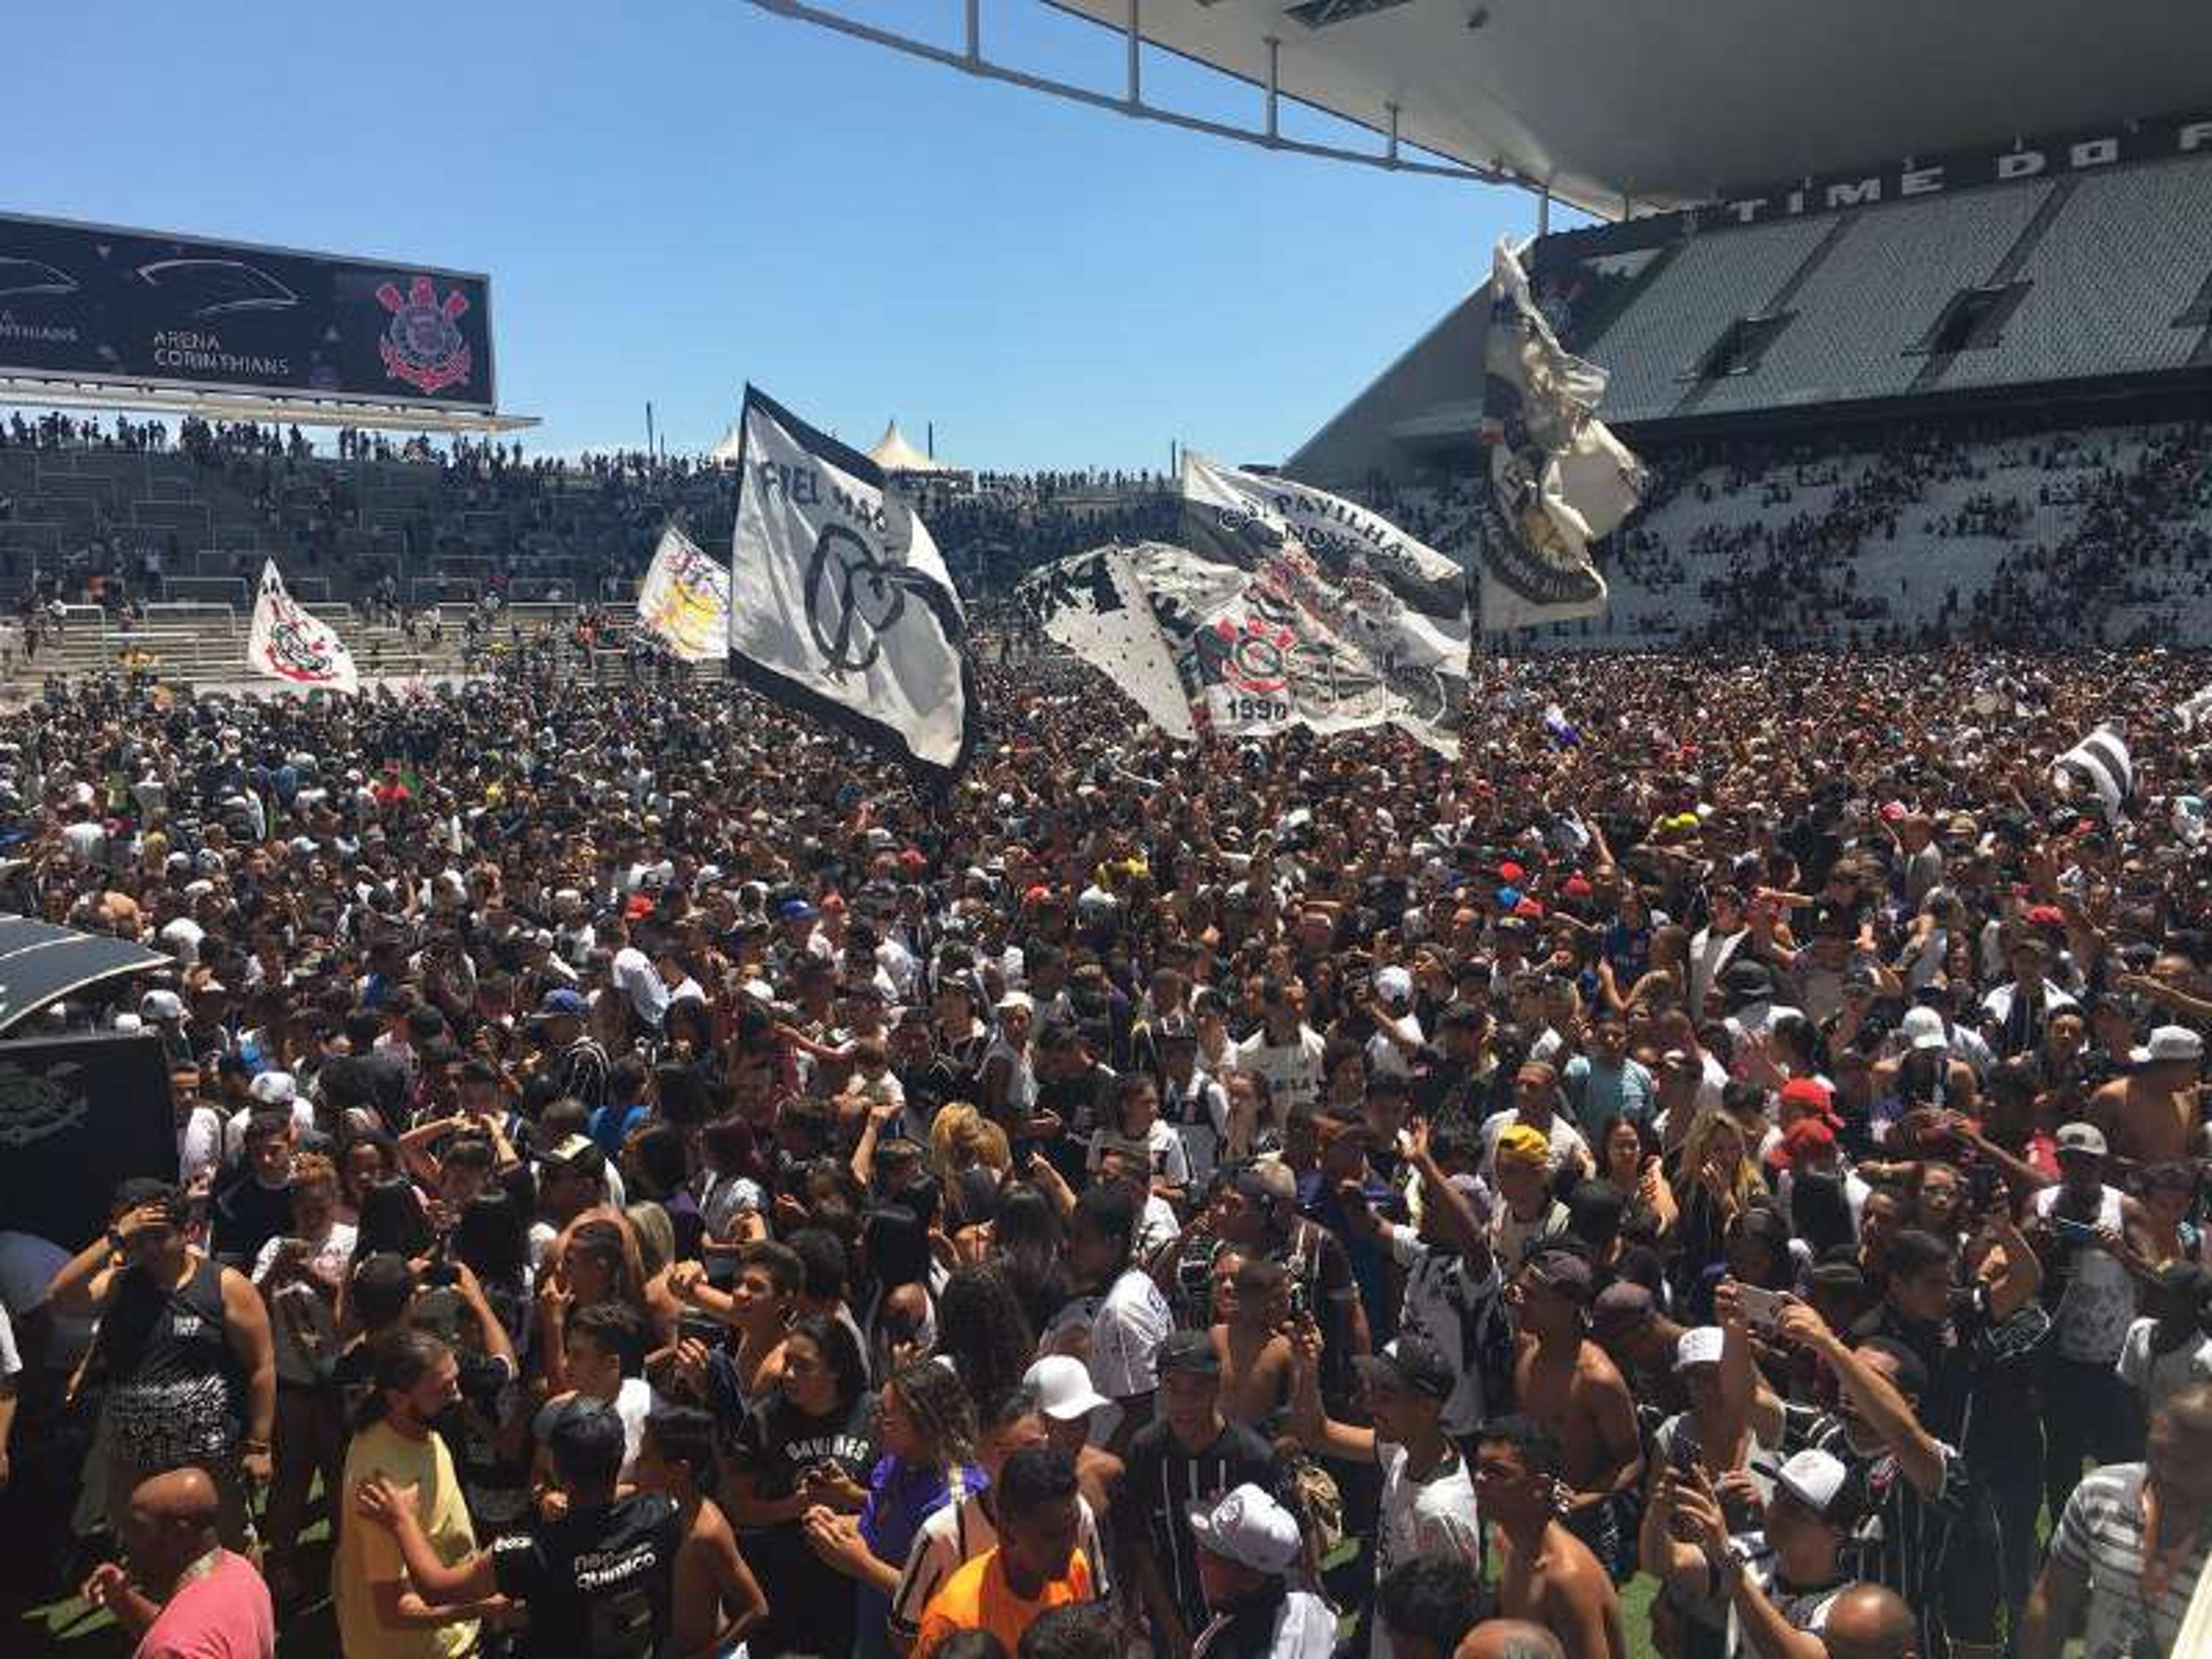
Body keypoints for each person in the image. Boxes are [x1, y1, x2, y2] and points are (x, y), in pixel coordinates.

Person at [357, 1397, 700, 1659]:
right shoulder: (662, 1516)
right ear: (623, 1454)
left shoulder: (526, 1552)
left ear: (557, 1467)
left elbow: (437, 1589)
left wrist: (401, 1520)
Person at [48, 1179, 276, 1550]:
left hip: (211, 1457)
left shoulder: (224, 1286)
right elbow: (60, 1297)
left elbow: (261, 1366)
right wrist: (113, 1238)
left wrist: (260, 1445)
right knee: (152, 1556)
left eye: (158, 1235)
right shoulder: (122, 1284)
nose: (149, 1249)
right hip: (135, 1462)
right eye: (138, 1239)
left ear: (187, 1232)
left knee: (229, 1548)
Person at [1287, 1327, 1480, 1659]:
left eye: (1387, 1394)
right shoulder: (1402, 1451)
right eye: (1373, 1388)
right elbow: (1316, 1434)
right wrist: (1307, 1367)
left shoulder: (1440, 1512)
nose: (1370, 1402)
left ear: (1427, 1407)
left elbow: (1451, 1624)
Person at [333, 1330, 499, 1659]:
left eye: (455, 1382)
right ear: (397, 1398)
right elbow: (394, 1611)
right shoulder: (383, 1488)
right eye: (442, 1390)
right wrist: (487, 1608)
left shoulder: (416, 1427)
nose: (457, 1397)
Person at [1120, 1330, 1287, 1655]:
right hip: (1174, 1623)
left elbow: (1279, 1551)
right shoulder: (1145, 1452)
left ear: (1217, 1385)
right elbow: (1140, 1542)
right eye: (1173, 1388)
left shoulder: (1252, 1458)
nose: (1184, 1402)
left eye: (1196, 1389)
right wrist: (1171, 1628)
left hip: (1247, 1630)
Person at [2018, 1381, 2212, 1659]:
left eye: (2187, 1464)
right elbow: (2052, 1600)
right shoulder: (2100, 1494)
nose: (2165, 1474)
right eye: (2158, 1452)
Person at [721, 1312, 876, 1659]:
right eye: (787, 1363)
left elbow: (900, 1506)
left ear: (835, 1370)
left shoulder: (872, 1416)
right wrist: (794, 1506)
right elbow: (736, 1506)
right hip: (784, 1584)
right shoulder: (765, 1419)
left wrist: (851, 1496)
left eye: (804, 1367)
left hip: (852, 1588)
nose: (788, 1375)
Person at [914, 1446, 1096, 1659]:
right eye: (1052, 1536)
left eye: (1074, 1526)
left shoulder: (1075, 1568)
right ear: (1007, 1533)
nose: (1070, 1545)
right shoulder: (954, 1618)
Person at [78, 1466, 275, 1659]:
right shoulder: (242, 1572)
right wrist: (121, 1598)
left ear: (179, 1536)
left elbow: (178, 1640)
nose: (125, 1548)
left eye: (136, 1532)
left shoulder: (174, 1648)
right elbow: (186, 1627)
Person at [1471, 1416, 1627, 1659]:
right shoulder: (1506, 1541)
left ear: (1540, 1487)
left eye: (1498, 1473)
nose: (1479, 1480)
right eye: (1479, 1468)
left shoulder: (1566, 1579)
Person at [630, 1405, 770, 1658]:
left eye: (647, 1457)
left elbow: (757, 1609)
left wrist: (708, 1656)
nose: (637, 1462)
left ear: (679, 1471)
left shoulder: (706, 1534)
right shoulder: (676, 1512)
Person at [1185, 1483, 1339, 1658]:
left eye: (1213, 1556)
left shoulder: (1225, 1648)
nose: (1199, 1560)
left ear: (1250, 1578)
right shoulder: (1309, 1607)